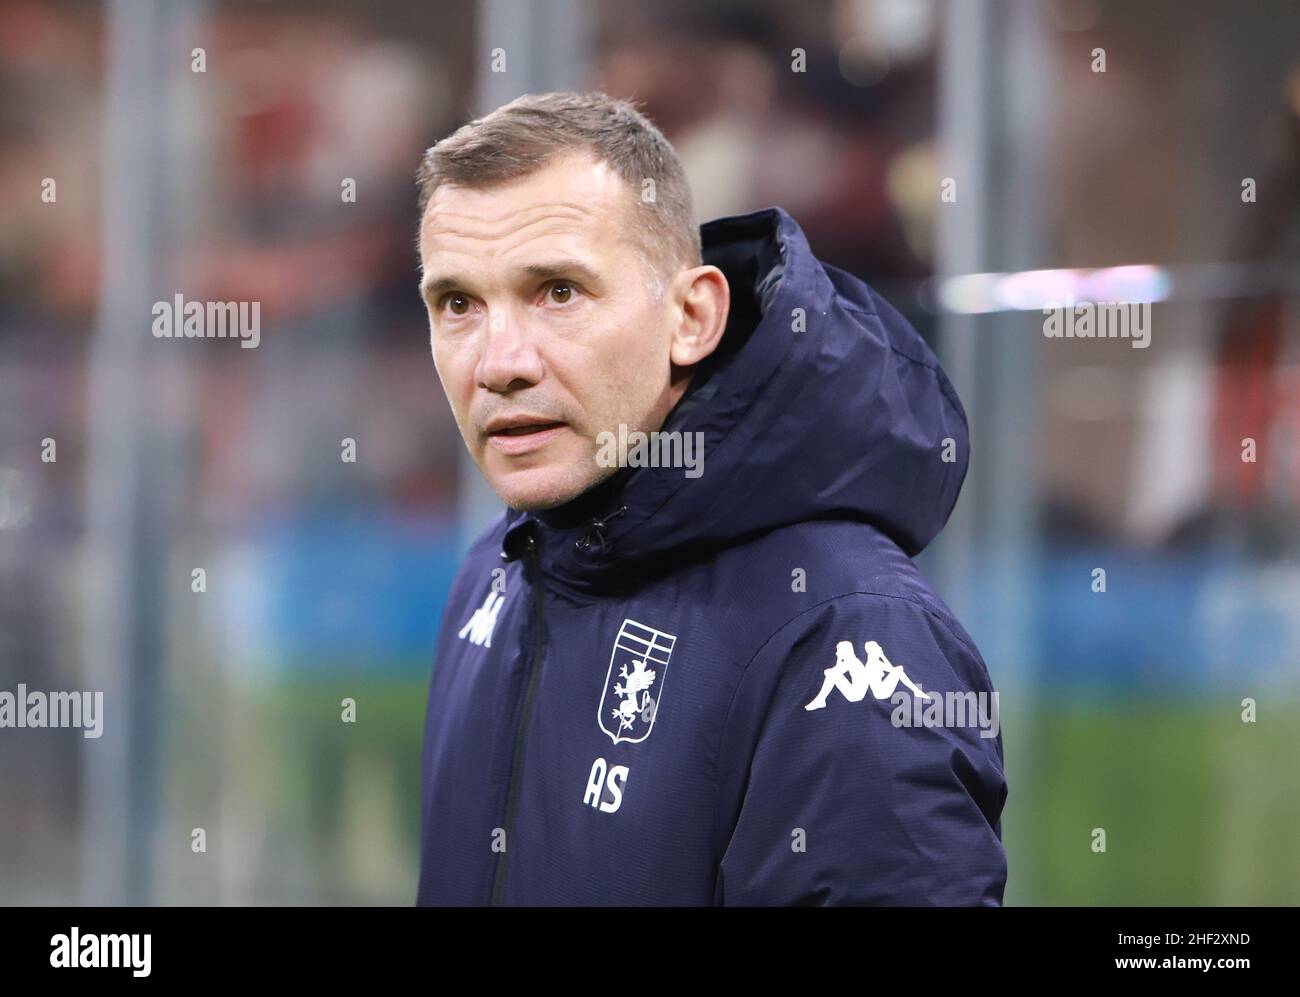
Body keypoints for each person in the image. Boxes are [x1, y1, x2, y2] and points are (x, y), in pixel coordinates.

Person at [414, 90, 1007, 905]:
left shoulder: (851, 632)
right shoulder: (498, 567)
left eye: (558, 291)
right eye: (458, 304)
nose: (499, 361)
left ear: (691, 317)